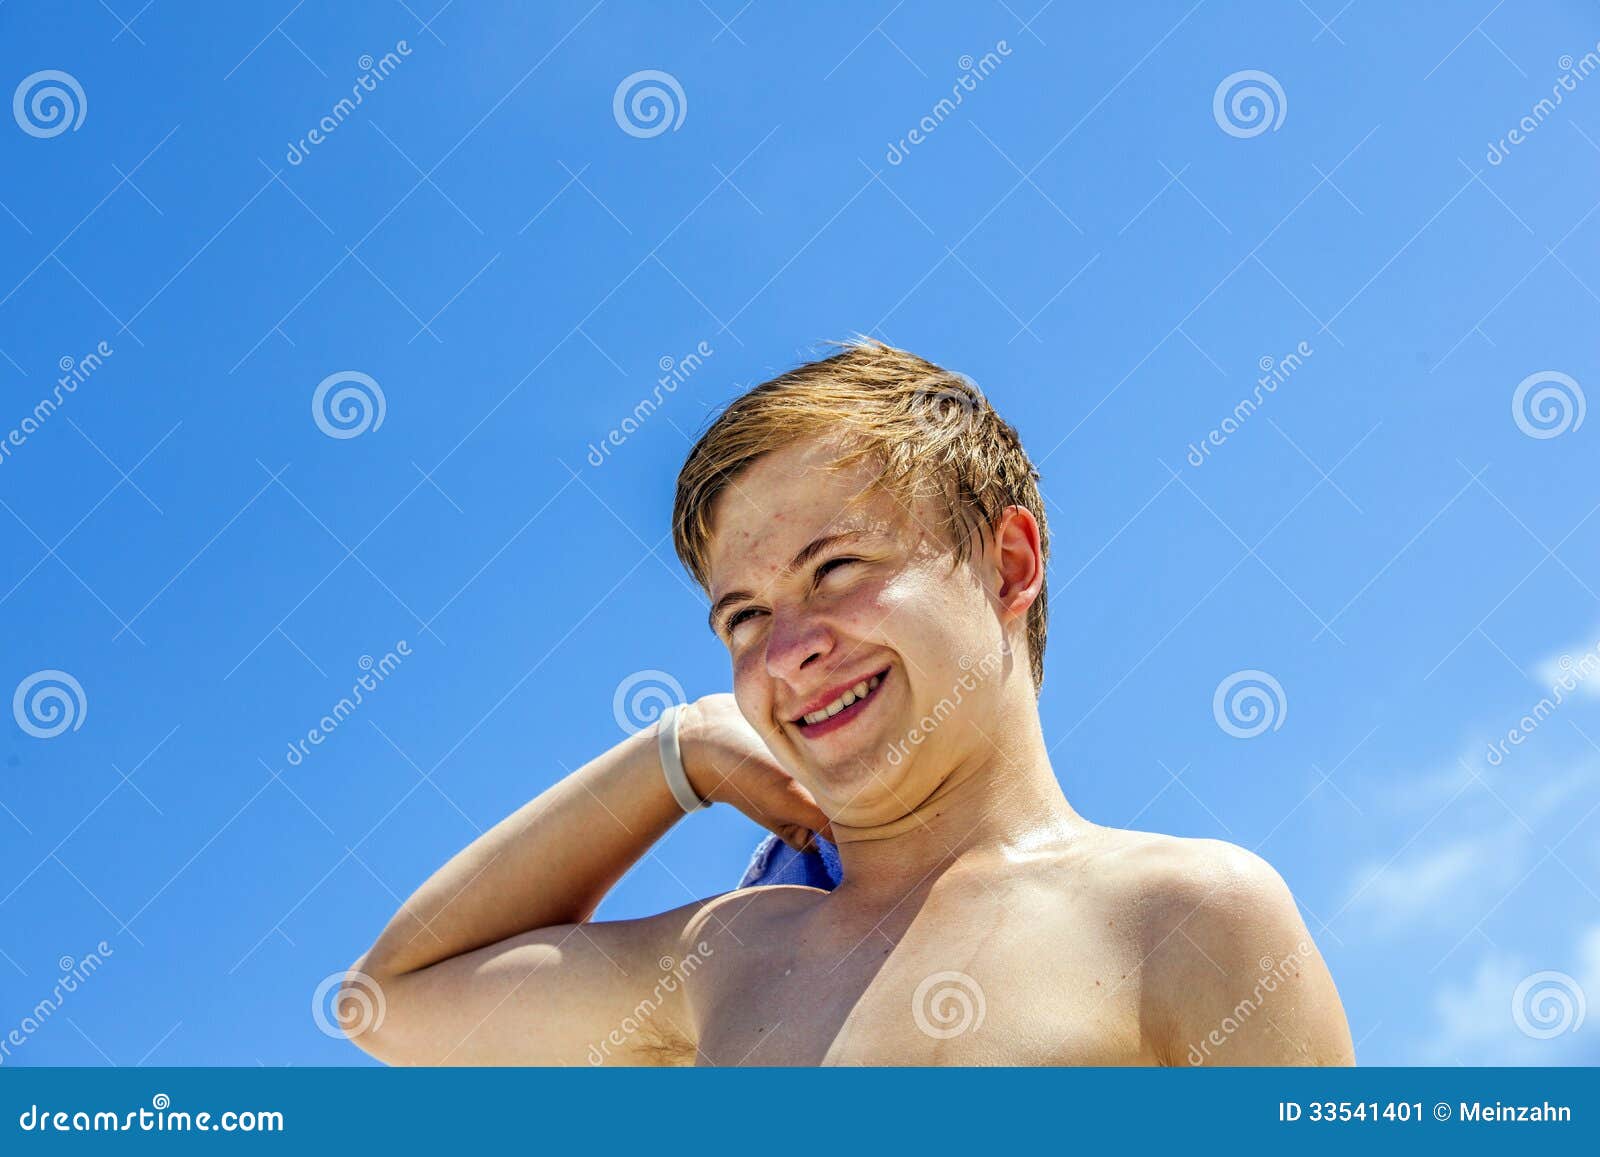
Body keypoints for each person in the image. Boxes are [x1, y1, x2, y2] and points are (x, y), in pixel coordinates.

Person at [340, 339, 1356, 1066]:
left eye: (834, 567)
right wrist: (677, 753)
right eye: (741, 617)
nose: (788, 649)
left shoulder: (1181, 917)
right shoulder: (729, 958)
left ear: (1007, 564)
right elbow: (388, 1000)